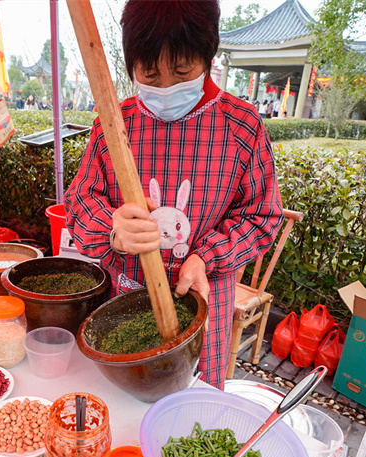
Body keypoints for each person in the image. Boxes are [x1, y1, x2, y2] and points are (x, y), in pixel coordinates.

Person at [63, 0, 283, 390]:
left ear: (207, 57)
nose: (166, 86)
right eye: (149, 73)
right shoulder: (114, 125)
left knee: (189, 422)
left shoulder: (241, 127)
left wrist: (206, 256)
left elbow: (262, 217)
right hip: (122, 307)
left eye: (182, 71)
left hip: (203, 307)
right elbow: (80, 204)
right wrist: (114, 231)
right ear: (133, 65)